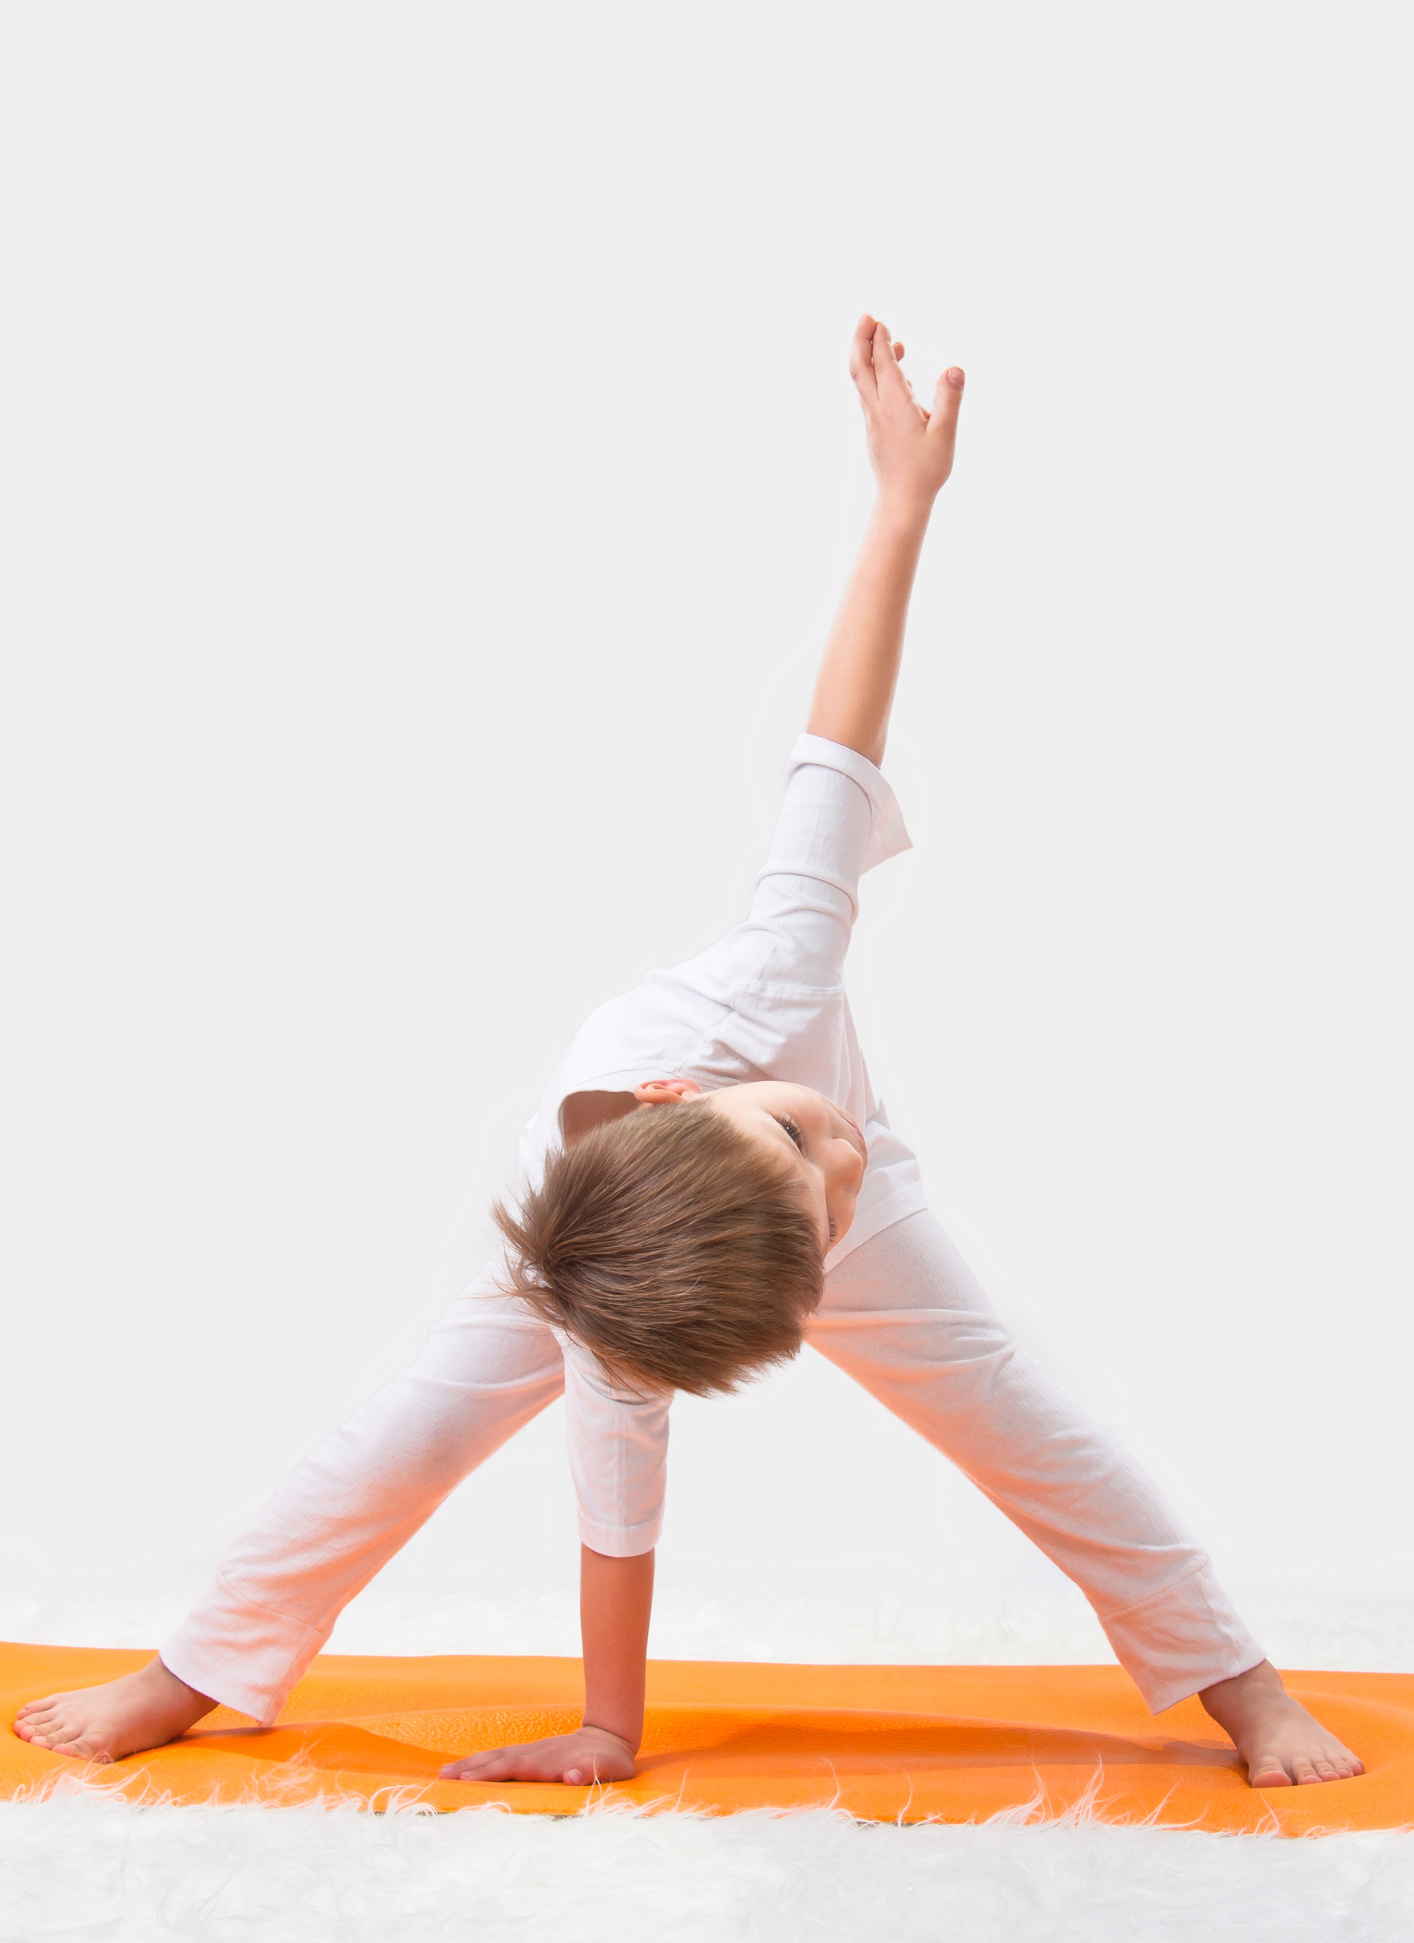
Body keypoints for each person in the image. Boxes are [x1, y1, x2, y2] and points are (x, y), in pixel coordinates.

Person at [14, 317, 1364, 1791]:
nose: (839, 1166)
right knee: (403, 1430)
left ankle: (1243, 1691)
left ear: (683, 1097)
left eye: (810, 1165)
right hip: (650, 1249)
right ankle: (193, 1667)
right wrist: (608, 1726)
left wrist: (902, 499)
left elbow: (831, 750)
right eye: (821, 1188)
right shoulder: (621, 1289)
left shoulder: (772, 994)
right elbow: (619, 1494)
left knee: (1020, 1422)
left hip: (711, 1220)